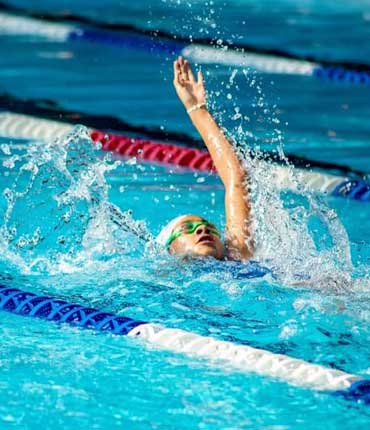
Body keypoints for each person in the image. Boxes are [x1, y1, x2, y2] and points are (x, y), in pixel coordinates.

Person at [157, 57, 253, 261]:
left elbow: (237, 180)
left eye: (208, 227)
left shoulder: (236, 257)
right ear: (170, 249)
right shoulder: (155, 283)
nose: (201, 229)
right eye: (187, 229)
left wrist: (197, 110)